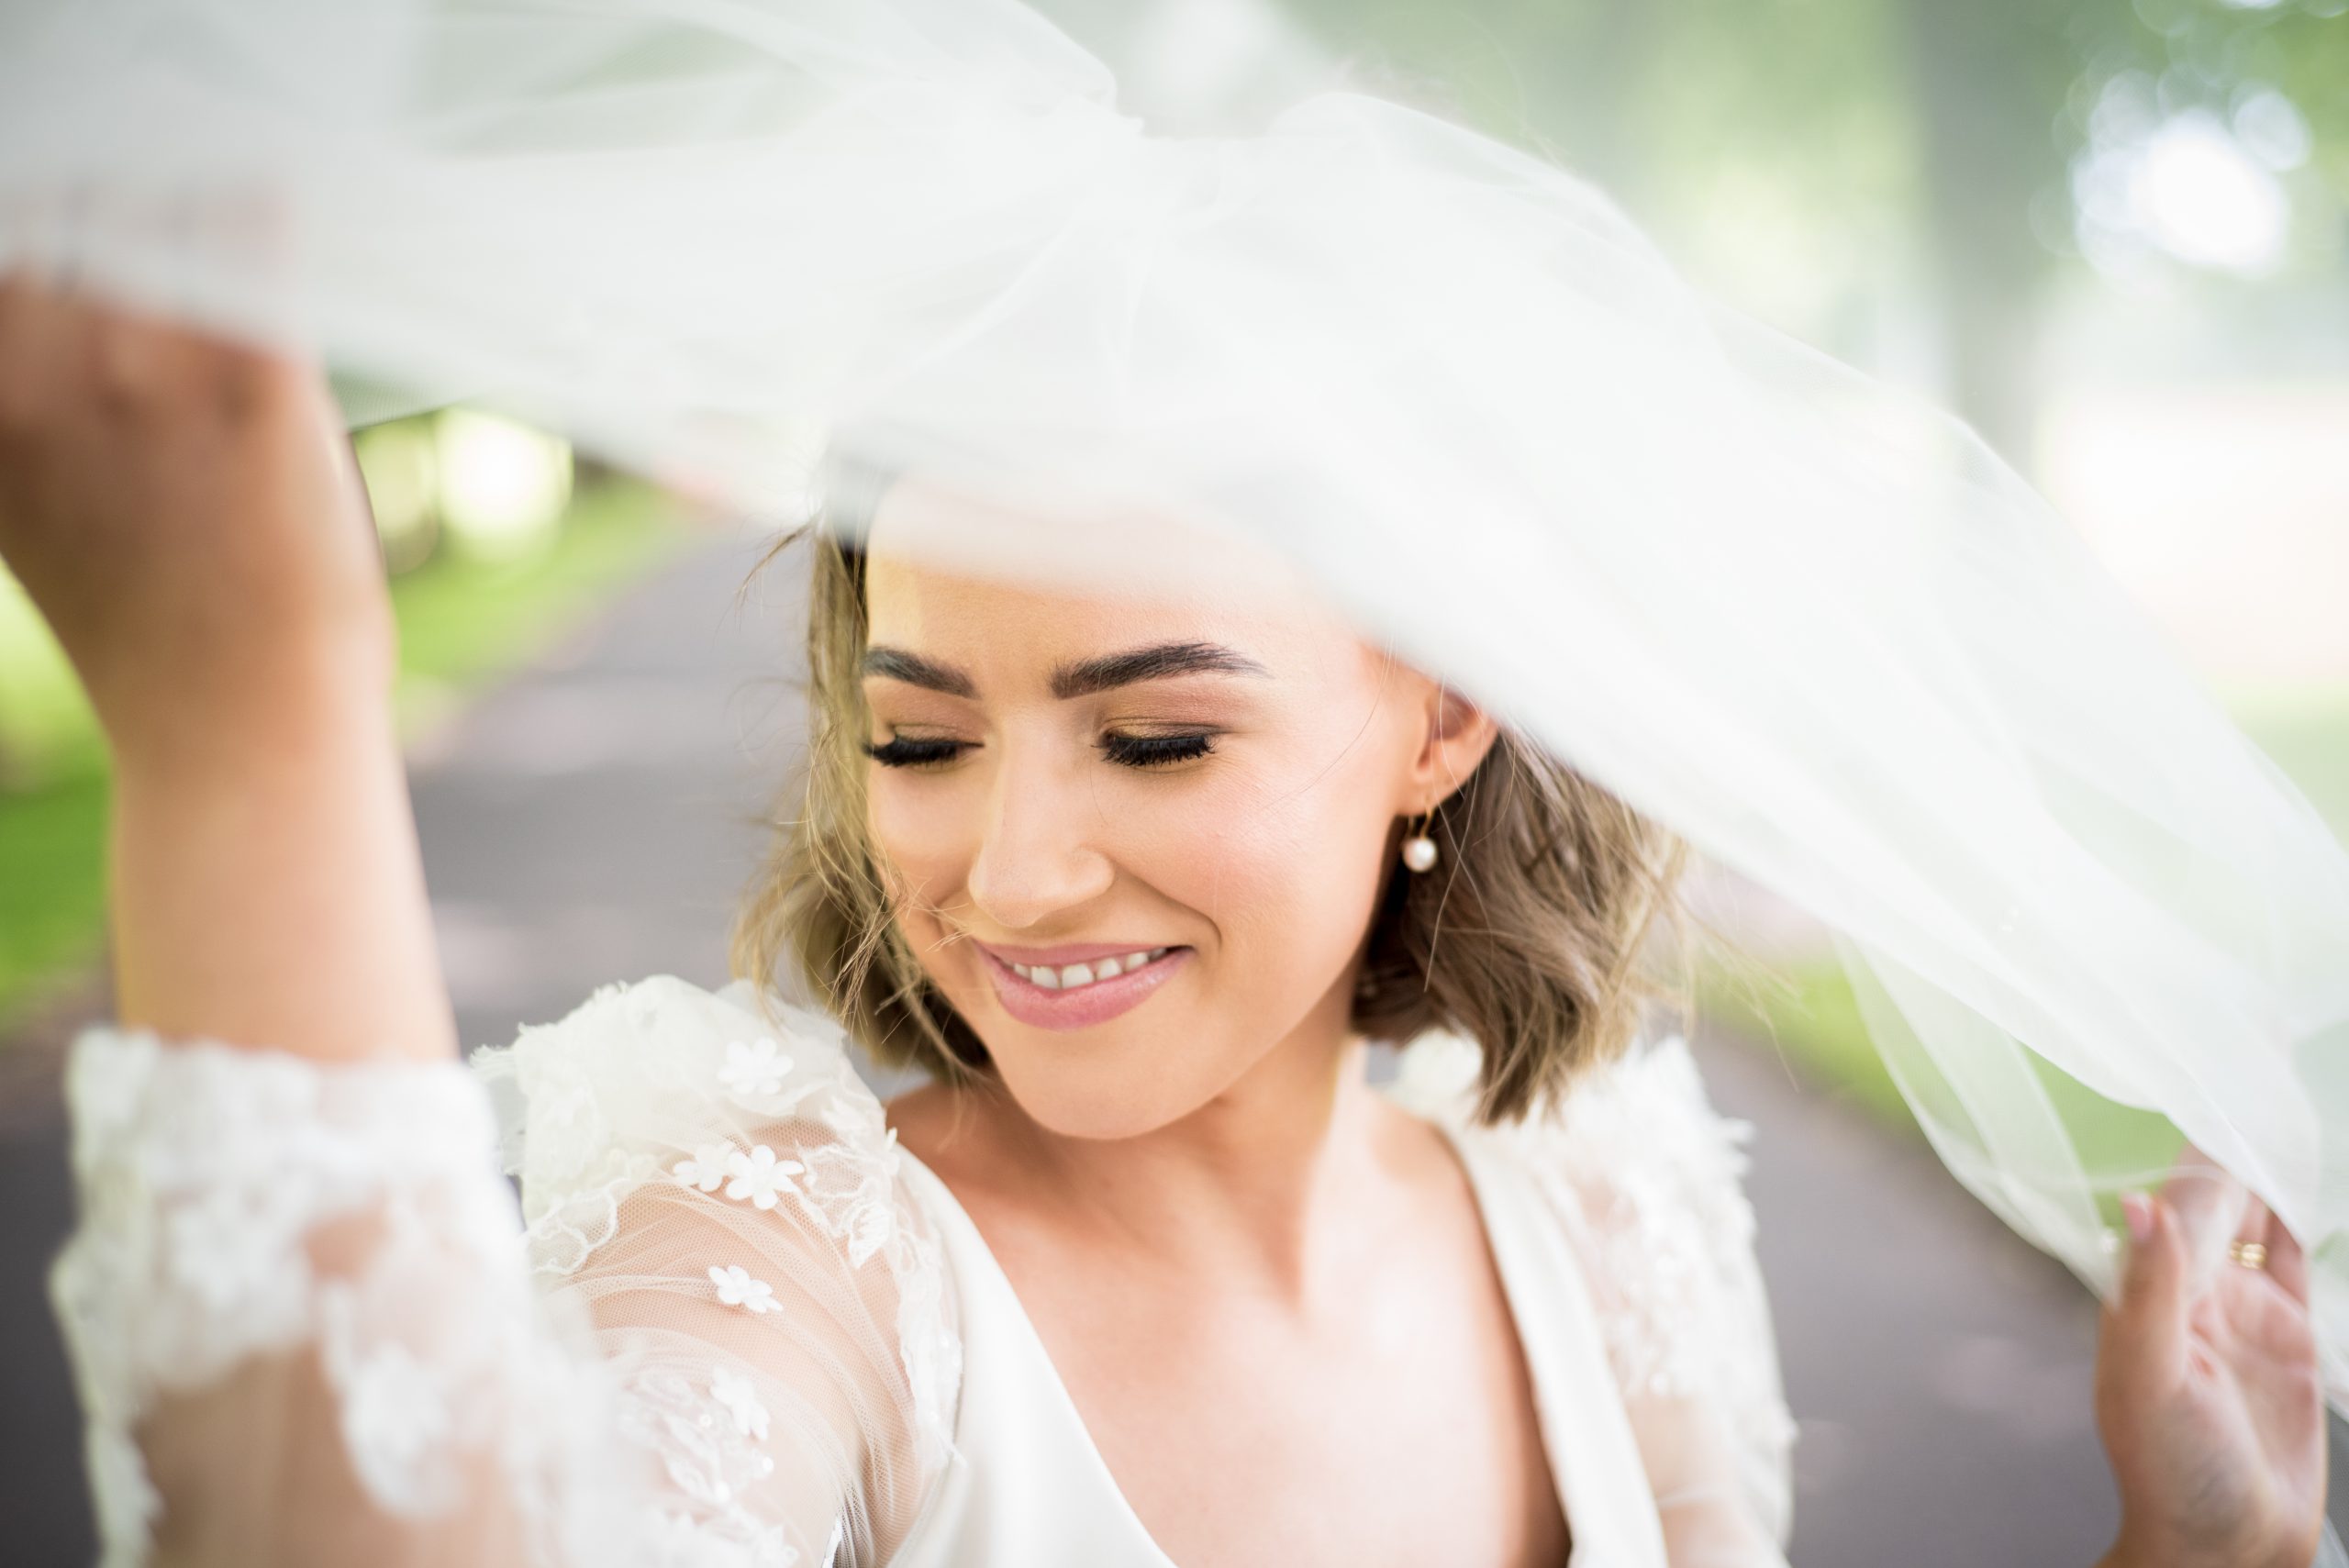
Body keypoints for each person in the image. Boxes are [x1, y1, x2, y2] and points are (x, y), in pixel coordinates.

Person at [0, 269, 2326, 1567]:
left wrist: (2192, 1559)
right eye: (918, 739)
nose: (1003, 875)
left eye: (1153, 737)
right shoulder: (792, 1266)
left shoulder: (1605, 1215)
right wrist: (251, 726)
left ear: (1441, 720)